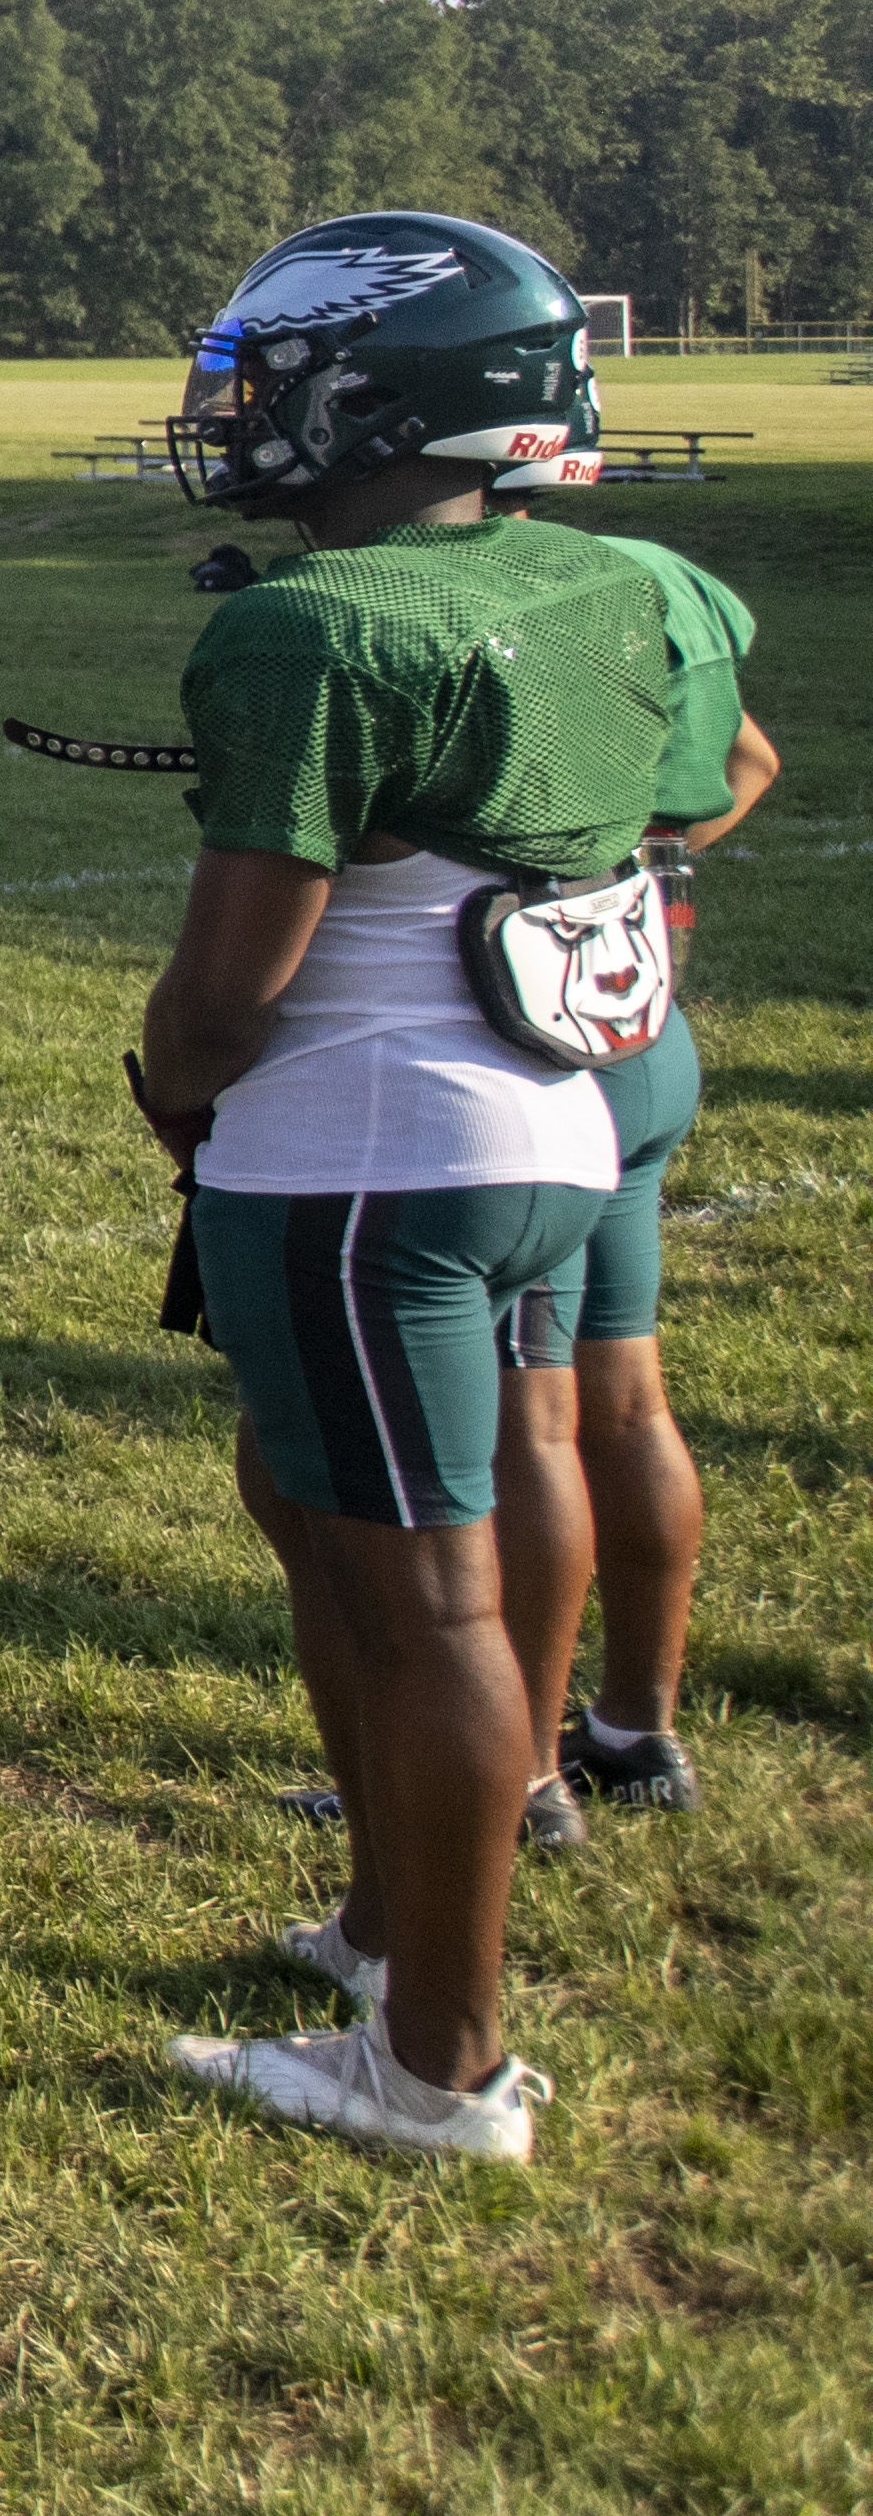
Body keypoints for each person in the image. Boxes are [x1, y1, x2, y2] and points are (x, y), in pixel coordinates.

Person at [136, 211, 666, 2164]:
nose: (247, 413)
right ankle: (385, 1927)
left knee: (426, 1594)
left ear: (391, 391)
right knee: (320, 1512)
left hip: (367, 1150)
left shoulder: (312, 622)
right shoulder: (630, 588)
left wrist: (172, 1087)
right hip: (551, 1128)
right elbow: (683, 791)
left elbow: (232, 977)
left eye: (279, 377)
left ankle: (437, 2060)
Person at [503, 484, 776, 1814]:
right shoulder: (661, 575)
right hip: (642, 1019)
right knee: (626, 1398)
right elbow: (752, 762)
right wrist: (654, 874)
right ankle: (635, 1729)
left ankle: (520, 1768)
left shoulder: (519, 590)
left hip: (541, 1039)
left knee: (529, 1424)